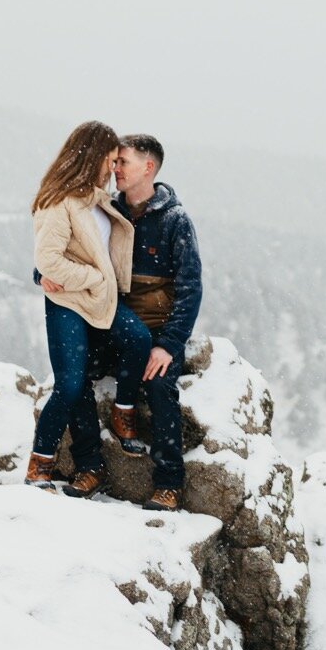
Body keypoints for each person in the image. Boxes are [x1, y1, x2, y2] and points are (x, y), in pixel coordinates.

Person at [24, 121, 154, 498]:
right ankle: (40, 466)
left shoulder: (97, 198)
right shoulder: (57, 201)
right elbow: (49, 260)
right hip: (68, 302)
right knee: (69, 384)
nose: (114, 169)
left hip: (100, 300)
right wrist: (94, 279)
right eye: (111, 160)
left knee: (137, 339)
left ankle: (122, 410)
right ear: (93, 156)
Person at [105, 133, 203, 511]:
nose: (115, 170)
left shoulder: (174, 220)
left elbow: (190, 287)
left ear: (148, 167)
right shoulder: (109, 213)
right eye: (114, 162)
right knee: (75, 374)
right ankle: (88, 468)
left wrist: (168, 345)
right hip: (114, 324)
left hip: (158, 329)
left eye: (123, 162)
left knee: (161, 387)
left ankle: (169, 485)